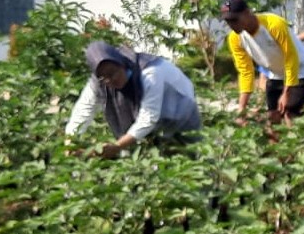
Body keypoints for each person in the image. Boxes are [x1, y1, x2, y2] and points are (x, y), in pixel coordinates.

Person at [64, 41, 201, 158]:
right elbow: (82, 112)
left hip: (180, 112)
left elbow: (148, 117)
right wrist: (70, 143)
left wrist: (117, 147)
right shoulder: (98, 82)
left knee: (189, 159)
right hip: (153, 126)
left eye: (113, 73)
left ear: (121, 64)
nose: (111, 80)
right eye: (104, 77)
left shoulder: (150, 73)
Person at [220, 0, 304, 123]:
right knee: (273, 116)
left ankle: (298, 140)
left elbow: (291, 58)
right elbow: (246, 72)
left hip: (301, 69)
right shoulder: (235, 39)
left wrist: (286, 93)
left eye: (234, 19)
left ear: (247, 12)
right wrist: (241, 109)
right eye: (228, 21)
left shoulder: (274, 24)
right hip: (276, 73)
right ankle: (277, 142)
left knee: (288, 112)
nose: (232, 25)